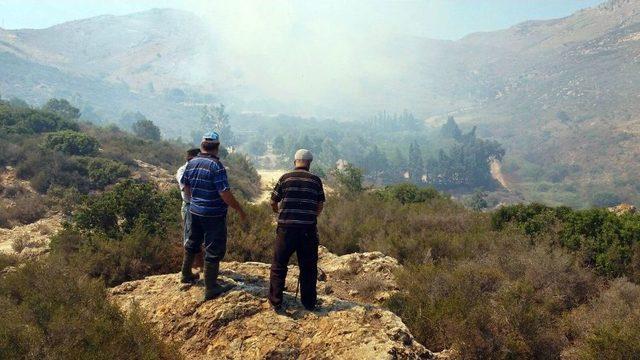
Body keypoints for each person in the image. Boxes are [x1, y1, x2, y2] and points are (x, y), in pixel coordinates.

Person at [180, 131, 248, 300]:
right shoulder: (216, 166)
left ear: (202, 145)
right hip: (213, 215)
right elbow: (224, 193)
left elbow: (186, 188)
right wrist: (239, 209)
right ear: (217, 147)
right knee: (213, 249)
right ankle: (211, 287)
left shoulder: (191, 162)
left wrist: (195, 202)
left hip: (194, 210)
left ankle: (186, 274)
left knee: (193, 242)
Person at [268, 149, 325, 311]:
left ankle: (275, 302)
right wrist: (311, 217)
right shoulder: (315, 181)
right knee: (308, 267)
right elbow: (320, 205)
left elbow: (273, 200)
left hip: (286, 229)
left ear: (295, 161)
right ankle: (308, 303)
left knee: (279, 265)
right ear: (309, 163)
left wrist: (278, 212)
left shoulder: (285, 178)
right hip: (308, 230)